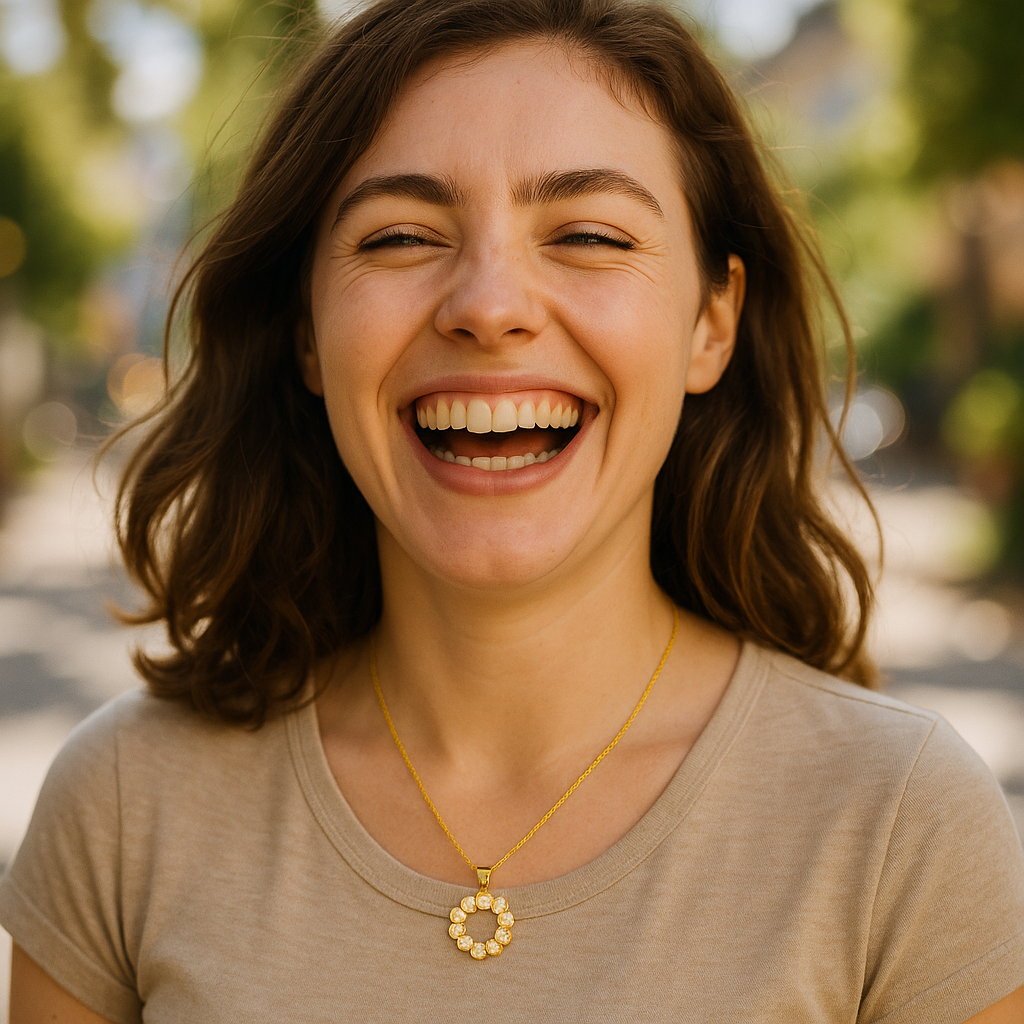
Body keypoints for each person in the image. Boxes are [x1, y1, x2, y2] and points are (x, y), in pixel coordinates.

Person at [4, 0, 1024, 1019]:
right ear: (307, 328)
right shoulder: (123, 805)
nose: (489, 306)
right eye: (401, 237)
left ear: (712, 322)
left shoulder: (901, 827)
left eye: (587, 234)